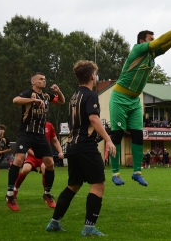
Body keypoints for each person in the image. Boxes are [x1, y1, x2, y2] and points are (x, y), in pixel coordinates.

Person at [108, 15, 171, 186]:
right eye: (150, 39)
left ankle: (137, 172)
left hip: (134, 101)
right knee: (117, 136)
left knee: (138, 135)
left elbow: (168, 44)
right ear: (142, 41)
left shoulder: (151, 55)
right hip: (119, 97)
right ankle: (115, 172)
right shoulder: (138, 49)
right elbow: (161, 40)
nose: (154, 41)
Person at [46, 60, 116, 236]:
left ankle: (54, 223)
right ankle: (89, 228)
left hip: (73, 146)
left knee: (73, 185)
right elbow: (93, 119)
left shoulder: (74, 96)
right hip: (86, 146)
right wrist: (108, 139)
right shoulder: (91, 95)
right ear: (92, 76)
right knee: (98, 185)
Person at [6, 72, 65, 211]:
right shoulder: (28, 93)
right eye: (41, 79)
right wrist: (34, 101)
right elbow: (15, 100)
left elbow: (61, 101)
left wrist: (58, 91)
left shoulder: (46, 96)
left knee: (50, 163)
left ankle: (47, 194)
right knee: (19, 159)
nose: (44, 81)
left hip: (39, 135)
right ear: (33, 82)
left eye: (45, 79)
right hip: (26, 132)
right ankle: (10, 195)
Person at [13, 122, 64, 207]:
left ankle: (46, 195)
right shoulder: (30, 125)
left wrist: (60, 152)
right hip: (32, 155)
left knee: (45, 168)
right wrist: (35, 154)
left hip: (44, 155)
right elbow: (26, 146)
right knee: (25, 169)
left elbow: (55, 140)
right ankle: (14, 191)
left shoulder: (49, 125)